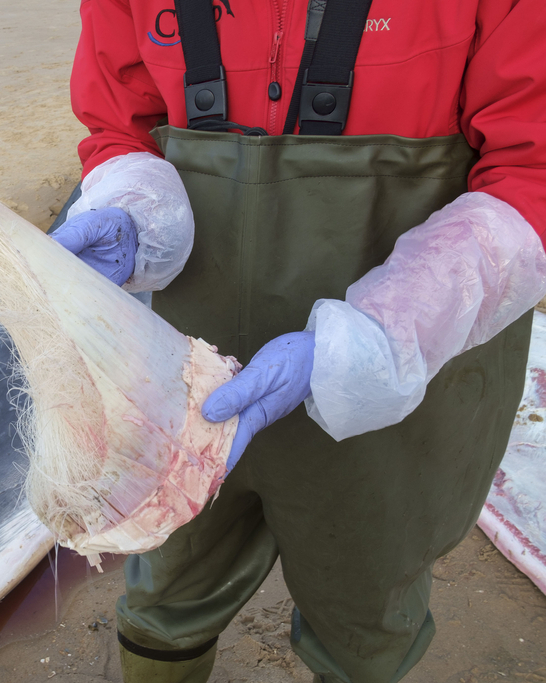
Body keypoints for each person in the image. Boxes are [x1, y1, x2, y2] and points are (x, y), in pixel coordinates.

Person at [50, 1, 546, 681]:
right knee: (165, 587)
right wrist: (134, 209)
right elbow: (119, 127)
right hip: (190, 373)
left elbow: (532, 176)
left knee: (365, 621)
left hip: (399, 395)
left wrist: (375, 339)